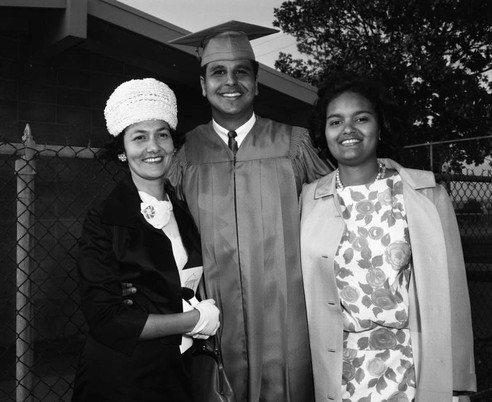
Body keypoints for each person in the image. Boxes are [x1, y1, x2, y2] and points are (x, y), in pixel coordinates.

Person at [165, 20, 332, 402]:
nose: (230, 82)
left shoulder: (294, 145)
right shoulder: (184, 154)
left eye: (242, 72)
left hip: (289, 316)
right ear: (203, 84)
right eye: (218, 72)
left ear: (256, 84)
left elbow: (341, 204)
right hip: (212, 316)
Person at [300, 75, 476, 401]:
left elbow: (453, 296)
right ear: (324, 132)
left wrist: (457, 385)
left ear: (380, 127)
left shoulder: (426, 193)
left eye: (361, 118)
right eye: (336, 121)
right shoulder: (309, 199)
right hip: (340, 370)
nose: (348, 129)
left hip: (412, 367)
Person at [72, 78, 220, 402]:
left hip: (175, 372)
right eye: (139, 137)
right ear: (123, 150)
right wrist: (194, 320)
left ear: (173, 144)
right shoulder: (105, 219)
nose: (153, 147)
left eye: (161, 135)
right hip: (122, 379)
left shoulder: (182, 211)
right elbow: (106, 320)